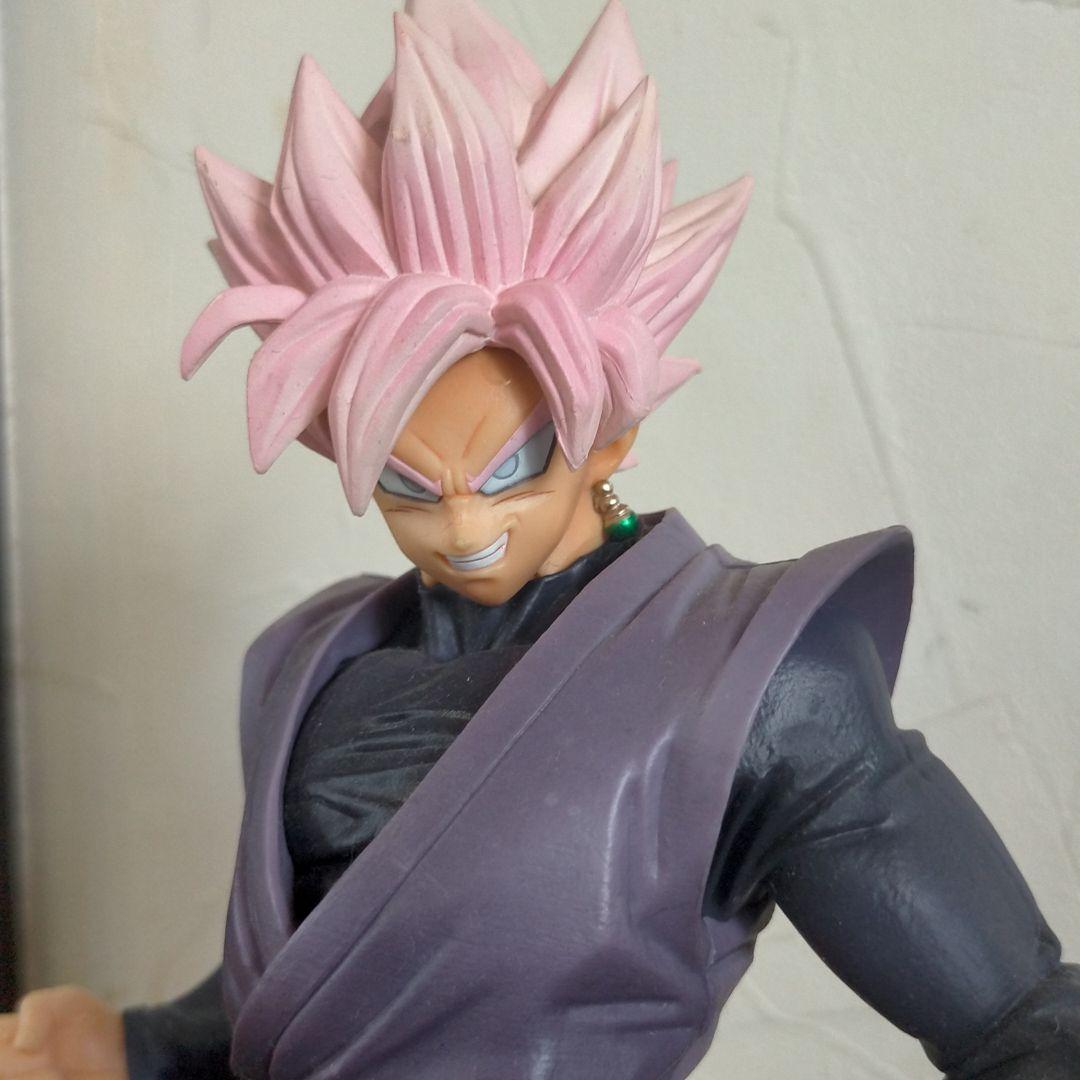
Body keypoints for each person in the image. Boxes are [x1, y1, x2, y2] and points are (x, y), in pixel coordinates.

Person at [1, 2, 1077, 1077]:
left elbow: (1016, 1017)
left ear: (609, 431)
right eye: (406, 484)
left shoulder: (758, 681)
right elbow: (309, 996)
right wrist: (134, 1048)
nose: (465, 526)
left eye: (511, 467)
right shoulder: (314, 665)